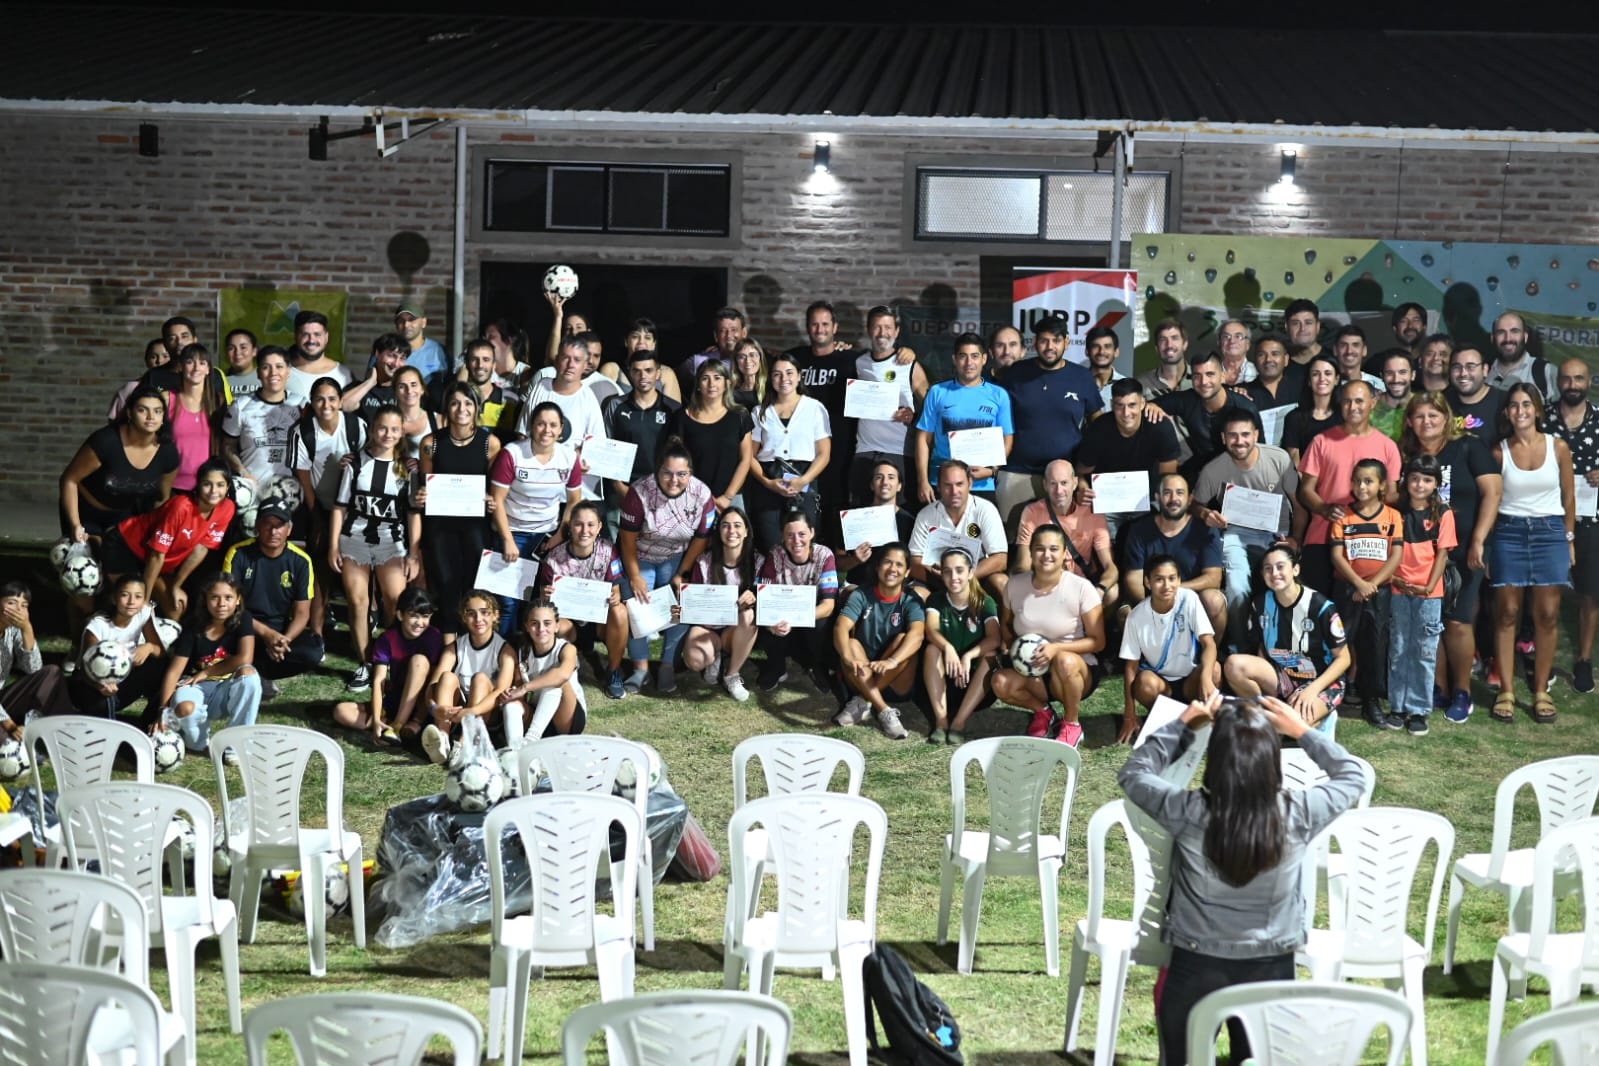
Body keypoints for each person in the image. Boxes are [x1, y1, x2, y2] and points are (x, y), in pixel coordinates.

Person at [1118, 690, 1366, 1066]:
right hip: (1272, 967)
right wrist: (1302, 732)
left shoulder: (1187, 811)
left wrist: (1183, 725)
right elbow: (1353, 776)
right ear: (1271, 758)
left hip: (1195, 965)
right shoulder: (1300, 812)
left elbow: (1134, 773)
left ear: (1216, 758)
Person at [1399, 391, 1499, 723]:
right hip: (1423, 554)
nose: (1426, 422)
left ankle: (1462, 691)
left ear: (1446, 418)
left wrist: (1479, 539)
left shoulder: (1468, 447)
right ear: (1410, 422)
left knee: (1458, 621)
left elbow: (1493, 492)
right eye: (1419, 416)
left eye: (1433, 415)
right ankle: (1436, 687)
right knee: (1430, 622)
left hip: (1466, 550)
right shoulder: (1408, 455)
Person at [1490, 382, 1576, 724]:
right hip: (1509, 533)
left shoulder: (1558, 447)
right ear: (1507, 412)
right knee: (1507, 613)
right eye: (1514, 405)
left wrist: (1569, 538)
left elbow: (1569, 495)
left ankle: (1541, 690)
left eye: (1526, 404)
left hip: (1550, 533)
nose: (1520, 411)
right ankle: (1506, 689)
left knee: (1548, 615)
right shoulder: (1499, 452)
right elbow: (1492, 499)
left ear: (1537, 410)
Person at [1191, 411, 1301, 651]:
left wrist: (1296, 539)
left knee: (1284, 581)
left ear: (1256, 435)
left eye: (1245, 434)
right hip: (1236, 535)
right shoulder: (1213, 470)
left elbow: (1299, 504)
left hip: (1277, 534)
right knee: (1237, 587)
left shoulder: (1279, 459)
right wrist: (1205, 514)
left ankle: (1287, 647)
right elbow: (1194, 504)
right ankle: (1240, 649)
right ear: (1223, 438)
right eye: (1232, 435)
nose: (1239, 441)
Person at [617, 439, 717, 695]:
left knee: (680, 605)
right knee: (636, 606)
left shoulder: (702, 495)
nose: (674, 480)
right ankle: (640, 669)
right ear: (657, 471)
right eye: (667, 473)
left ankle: (667, 665)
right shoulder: (639, 492)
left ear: (690, 473)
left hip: (677, 556)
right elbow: (627, 539)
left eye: (681, 474)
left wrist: (682, 573)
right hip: (641, 553)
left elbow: (701, 539)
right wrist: (635, 575)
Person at [330, 407, 421, 689]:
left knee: (395, 600)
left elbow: (413, 513)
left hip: (391, 541)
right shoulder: (355, 463)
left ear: (402, 432)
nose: (388, 434)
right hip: (354, 538)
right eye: (382, 428)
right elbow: (340, 507)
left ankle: (390, 659)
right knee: (357, 601)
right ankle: (366, 663)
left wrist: (414, 553)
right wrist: (333, 546)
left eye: (394, 429)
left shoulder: (408, 467)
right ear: (372, 430)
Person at [993, 525, 1105, 748]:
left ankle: (1072, 724)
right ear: (1031, 552)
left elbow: (1098, 641)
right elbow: (1005, 623)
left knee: (1064, 660)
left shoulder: (1082, 588)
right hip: (1034, 672)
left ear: (1065, 553)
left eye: (1054, 549)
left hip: (1075, 671)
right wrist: (1017, 651)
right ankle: (1044, 713)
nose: (1046, 555)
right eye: (1040, 549)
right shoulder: (1015, 585)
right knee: (1000, 682)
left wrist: (1056, 649)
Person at [1223, 543, 1350, 732]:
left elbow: (1344, 658)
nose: (1274, 573)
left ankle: (1322, 717)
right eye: (1268, 568)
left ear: (1295, 569)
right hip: (1284, 677)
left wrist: (1312, 690)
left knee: (1291, 724)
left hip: (1321, 680)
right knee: (1234, 664)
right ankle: (1263, 711)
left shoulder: (1320, 606)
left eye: (1280, 566)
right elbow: (1262, 647)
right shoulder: (1260, 604)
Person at [1296, 380, 1401, 596]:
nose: (1353, 407)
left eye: (1359, 401)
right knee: (1319, 610)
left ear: (1373, 403)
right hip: (1322, 538)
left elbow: (1391, 495)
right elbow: (1305, 491)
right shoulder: (1321, 441)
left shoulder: (1388, 446)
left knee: (1364, 613)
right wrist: (1325, 508)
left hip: (1370, 544)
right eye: (1347, 401)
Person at [997, 316, 1102, 532]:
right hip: (1017, 473)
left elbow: (1099, 425)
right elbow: (996, 418)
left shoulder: (1082, 377)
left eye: (1056, 340)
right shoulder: (1015, 374)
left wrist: (1084, 473)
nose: (1050, 347)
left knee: (1061, 542)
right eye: (1044, 341)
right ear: (1035, 343)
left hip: (1064, 478)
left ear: (1067, 342)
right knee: (1013, 540)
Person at [487, 400, 582, 635]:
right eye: (541, 424)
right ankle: (504, 650)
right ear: (531, 426)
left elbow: (574, 501)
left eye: (553, 425)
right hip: (513, 532)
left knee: (538, 601)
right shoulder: (512, 453)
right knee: (508, 602)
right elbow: (497, 499)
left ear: (561, 429)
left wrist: (560, 534)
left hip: (547, 536)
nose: (546, 430)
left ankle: (530, 650)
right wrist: (508, 539)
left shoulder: (569, 458)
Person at [100, 458, 237, 619]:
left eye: (220, 485)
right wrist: (145, 599)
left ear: (228, 487)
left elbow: (201, 549)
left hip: (155, 561)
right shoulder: (181, 506)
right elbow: (156, 554)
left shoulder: (227, 508)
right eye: (207, 484)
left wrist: (176, 585)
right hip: (125, 546)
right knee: (130, 604)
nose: (213, 491)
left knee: (175, 608)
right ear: (198, 485)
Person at [420, 380, 503, 636]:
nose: (461, 409)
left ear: (477, 408)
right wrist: (422, 495)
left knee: (474, 584)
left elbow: (495, 487)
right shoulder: (431, 443)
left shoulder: (490, 443)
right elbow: (424, 484)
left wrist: (491, 499)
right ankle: (448, 646)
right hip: (440, 527)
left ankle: (473, 641)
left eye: (468, 403)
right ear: (447, 407)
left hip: (475, 526)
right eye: (455, 403)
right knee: (446, 585)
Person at [290, 377, 366, 646]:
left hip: (354, 507)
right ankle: (317, 632)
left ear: (341, 401)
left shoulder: (356, 426)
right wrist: (317, 518)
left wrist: (355, 462)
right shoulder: (303, 431)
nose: (326, 405)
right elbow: (302, 475)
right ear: (312, 402)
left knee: (359, 567)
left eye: (332, 399)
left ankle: (367, 622)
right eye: (320, 399)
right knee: (319, 570)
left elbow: (371, 458)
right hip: (320, 505)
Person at [1329, 458, 1403, 727]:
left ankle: (1371, 701)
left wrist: (1372, 585)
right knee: (1340, 641)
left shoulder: (1392, 516)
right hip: (1348, 589)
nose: (1362, 486)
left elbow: (1396, 555)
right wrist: (1359, 584)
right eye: (1358, 481)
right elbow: (1337, 556)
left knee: (1374, 645)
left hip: (1378, 592)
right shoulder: (1343, 516)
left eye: (1369, 481)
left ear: (1382, 485)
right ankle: (1332, 697)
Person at [1387, 454, 1455, 736]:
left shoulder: (1443, 513)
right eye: (1414, 479)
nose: (1419, 485)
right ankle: (1397, 706)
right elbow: (1387, 550)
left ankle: (1418, 709)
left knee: (1424, 651)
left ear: (1436, 483)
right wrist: (1393, 578)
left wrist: (1429, 586)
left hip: (1429, 592)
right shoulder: (1395, 512)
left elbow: (1443, 554)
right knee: (1399, 647)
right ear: (1406, 481)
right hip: (1398, 587)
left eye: (1427, 480)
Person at [1118, 554, 1219, 743]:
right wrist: (1129, 714)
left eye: (1172, 578)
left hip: (1191, 680)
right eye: (1159, 579)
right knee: (1144, 682)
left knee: (1214, 670)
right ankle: (1176, 716)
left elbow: (1209, 643)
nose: (1166, 586)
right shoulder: (1136, 617)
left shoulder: (1189, 599)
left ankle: (1194, 714)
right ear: (1147, 582)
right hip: (1162, 684)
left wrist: (1205, 678)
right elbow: (1131, 666)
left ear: (1179, 580)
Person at [222, 501, 321, 695]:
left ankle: (261, 672)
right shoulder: (238, 553)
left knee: (313, 651)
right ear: (257, 526)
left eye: (279, 525)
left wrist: (284, 640)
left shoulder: (301, 561)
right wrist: (267, 634)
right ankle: (244, 669)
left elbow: (302, 613)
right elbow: (229, 606)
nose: (273, 531)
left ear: (289, 529)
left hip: (279, 629)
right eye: (267, 524)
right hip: (242, 624)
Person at [157, 573, 260, 754]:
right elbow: (174, 672)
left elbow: (245, 658)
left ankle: (236, 745)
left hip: (225, 689)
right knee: (187, 715)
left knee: (249, 675)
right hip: (194, 687)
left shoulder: (243, 619)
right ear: (205, 600)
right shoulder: (193, 626)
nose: (221, 604)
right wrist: (163, 712)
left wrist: (206, 672)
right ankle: (196, 738)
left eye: (228, 597)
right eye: (215, 598)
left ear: (238, 600)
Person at [60, 386, 178, 542]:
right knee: (88, 553)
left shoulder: (168, 452)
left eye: (157, 411)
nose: (151, 417)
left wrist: (154, 530)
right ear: (129, 413)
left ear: (163, 417)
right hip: (85, 511)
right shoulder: (106, 441)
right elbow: (69, 480)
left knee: (117, 553)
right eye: (142, 410)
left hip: (123, 515)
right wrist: (75, 525)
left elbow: (161, 499)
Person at [832, 543, 925, 739]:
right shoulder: (862, 594)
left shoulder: (911, 599)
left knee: (904, 640)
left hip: (895, 679)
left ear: (907, 572)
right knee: (850, 644)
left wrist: (891, 661)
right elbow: (841, 627)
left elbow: (917, 635)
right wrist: (847, 657)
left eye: (899, 565)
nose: (892, 569)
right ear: (877, 566)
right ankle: (883, 710)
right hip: (860, 672)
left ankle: (863, 700)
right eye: (887, 562)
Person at [535, 500, 628, 697]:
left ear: (599, 527)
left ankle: (614, 671)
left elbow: (617, 590)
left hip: (599, 621)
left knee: (620, 611)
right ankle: (562, 667)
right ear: (570, 526)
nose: (585, 531)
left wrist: (615, 596)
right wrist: (546, 596)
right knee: (550, 621)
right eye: (578, 524)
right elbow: (543, 604)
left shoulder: (608, 550)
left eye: (591, 524)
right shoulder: (553, 558)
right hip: (570, 623)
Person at [1546, 358, 1599, 693]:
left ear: (1589, 382)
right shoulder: (1543, 418)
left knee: (1591, 593)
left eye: (1578, 378)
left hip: (1591, 519)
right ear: (1558, 382)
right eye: (1566, 379)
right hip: (1549, 516)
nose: (1572, 385)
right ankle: (1542, 656)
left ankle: (1583, 659)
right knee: (1547, 591)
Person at [332, 587, 442, 746]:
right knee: (341, 711)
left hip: (421, 703)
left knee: (418, 661)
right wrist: (376, 718)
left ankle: (398, 726)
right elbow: (379, 681)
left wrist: (420, 715)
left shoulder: (434, 637)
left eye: (425, 616)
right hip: (394, 699)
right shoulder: (387, 639)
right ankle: (389, 727)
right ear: (400, 615)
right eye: (413, 616)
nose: (419, 623)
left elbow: (434, 682)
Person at [1074, 378, 1181, 541]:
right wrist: (1081, 488)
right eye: (1120, 405)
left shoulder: (1160, 426)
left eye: (1132, 405)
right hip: (1107, 502)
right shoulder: (1099, 429)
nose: (1126, 413)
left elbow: (1169, 479)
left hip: (1147, 500)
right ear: (1111, 405)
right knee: (1102, 542)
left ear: (1143, 403)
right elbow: (1080, 472)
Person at [1121, 473, 1227, 636]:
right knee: (1126, 613)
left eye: (1180, 493)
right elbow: (1133, 578)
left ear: (1189, 499)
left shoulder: (1206, 529)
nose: (1173, 498)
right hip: (1152, 598)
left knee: (1214, 600)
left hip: (1192, 596)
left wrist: (1172, 589)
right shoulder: (1139, 529)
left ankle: (1210, 650)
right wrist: (1153, 606)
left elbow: (1214, 578)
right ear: (1157, 498)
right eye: (1167, 493)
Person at [675, 507, 761, 703]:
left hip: (736, 630)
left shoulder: (757, 561)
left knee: (749, 615)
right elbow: (693, 603)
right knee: (695, 660)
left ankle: (732, 674)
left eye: (737, 526)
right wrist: (683, 604)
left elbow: (766, 597)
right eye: (725, 526)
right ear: (719, 531)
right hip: (708, 627)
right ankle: (715, 658)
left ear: (746, 531)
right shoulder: (704, 562)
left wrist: (755, 596)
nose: (731, 531)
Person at [915, 332, 1013, 502]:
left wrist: (991, 470)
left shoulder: (999, 395)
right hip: (943, 483)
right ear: (954, 359)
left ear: (984, 359)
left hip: (983, 485)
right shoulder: (937, 392)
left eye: (974, 356)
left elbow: (1007, 439)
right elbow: (923, 438)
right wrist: (922, 480)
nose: (969, 363)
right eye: (963, 356)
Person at [422, 591, 516, 765]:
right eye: (471, 613)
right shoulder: (454, 648)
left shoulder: (505, 650)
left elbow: (501, 692)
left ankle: (465, 744)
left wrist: (472, 711)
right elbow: (432, 686)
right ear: (464, 618)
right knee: (446, 677)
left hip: (486, 714)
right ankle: (442, 739)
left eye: (484, 612)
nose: (478, 619)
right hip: (457, 713)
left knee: (480, 679)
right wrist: (435, 709)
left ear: (495, 616)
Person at [754, 509, 841, 694]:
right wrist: (772, 624)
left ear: (812, 533)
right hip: (783, 614)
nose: (796, 541)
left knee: (822, 623)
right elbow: (765, 599)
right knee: (767, 622)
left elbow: (828, 605)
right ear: (783, 536)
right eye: (790, 535)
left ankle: (818, 666)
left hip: (810, 615)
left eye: (802, 534)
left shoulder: (825, 556)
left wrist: (797, 618)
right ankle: (777, 667)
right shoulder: (775, 555)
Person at [1014, 461, 1118, 611]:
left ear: (1075, 483)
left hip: (1081, 585)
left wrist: (1099, 591)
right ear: (1045, 485)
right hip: (1045, 582)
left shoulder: (1093, 513)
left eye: (1064, 483)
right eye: (1053, 484)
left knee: (1113, 592)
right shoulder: (1032, 512)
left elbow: (1111, 567)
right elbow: (1023, 565)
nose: (1059, 490)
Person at [921, 547, 999, 745]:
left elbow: (995, 638)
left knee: (990, 654)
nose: (953, 577)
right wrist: (948, 648)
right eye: (947, 571)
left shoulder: (984, 601)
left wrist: (968, 656)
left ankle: (959, 723)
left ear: (970, 572)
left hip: (975, 685)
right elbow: (931, 630)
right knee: (932, 649)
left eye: (959, 570)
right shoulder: (936, 599)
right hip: (942, 681)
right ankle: (941, 722)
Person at [851, 305, 928, 505]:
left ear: (896, 331)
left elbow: (931, 408)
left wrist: (914, 416)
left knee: (900, 513)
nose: (882, 333)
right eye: (877, 327)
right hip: (865, 451)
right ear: (869, 330)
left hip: (900, 453)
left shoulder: (909, 364)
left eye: (887, 327)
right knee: (862, 512)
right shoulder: (858, 363)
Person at [1151, 350, 1260, 485]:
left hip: (1239, 475)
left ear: (1222, 376)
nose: (1204, 382)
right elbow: (1145, 405)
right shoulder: (1188, 400)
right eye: (1197, 375)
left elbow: (1261, 451)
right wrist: (1152, 406)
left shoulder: (1245, 407)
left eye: (1210, 374)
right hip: (1201, 472)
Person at [907, 460, 1008, 601]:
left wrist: (963, 577)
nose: (954, 491)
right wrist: (946, 578)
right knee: (916, 593)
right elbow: (915, 562)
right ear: (938, 487)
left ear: (970, 484)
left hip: (976, 577)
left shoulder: (986, 509)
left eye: (959, 484)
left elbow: (1000, 559)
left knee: (1001, 582)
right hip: (937, 579)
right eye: (947, 485)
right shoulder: (926, 515)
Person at [71, 574, 167, 722]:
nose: (131, 601)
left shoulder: (143, 614)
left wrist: (149, 647)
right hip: (91, 685)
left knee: (161, 667)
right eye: (125, 595)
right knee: (102, 700)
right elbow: (85, 670)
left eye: (138, 596)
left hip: (123, 680)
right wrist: (99, 685)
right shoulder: (98, 625)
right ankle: (107, 728)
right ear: (114, 598)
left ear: (144, 601)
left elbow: (161, 652)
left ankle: (151, 723)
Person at [601, 348, 682, 520]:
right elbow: (607, 446)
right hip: (622, 490)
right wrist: (618, 485)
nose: (642, 376)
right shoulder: (615, 405)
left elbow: (679, 454)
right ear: (630, 373)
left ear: (658, 374)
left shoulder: (673, 409)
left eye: (648, 370)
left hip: (661, 490)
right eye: (637, 371)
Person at [669, 358, 754, 512]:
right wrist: (695, 494)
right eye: (705, 378)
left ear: (727, 383)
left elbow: (746, 459)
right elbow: (676, 462)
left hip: (731, 498)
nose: (711, 384)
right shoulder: (681, 418)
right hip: (691, 497)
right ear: (698, 385)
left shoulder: (740, 416)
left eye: (717, 378)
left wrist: (727, 497)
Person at [499, 600, 587, 742]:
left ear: (557, 626)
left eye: (547, 623)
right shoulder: (521, 649)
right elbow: (517, 687)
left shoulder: (567, 648)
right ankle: (515, 749)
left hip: (566, 718)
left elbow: (563, 675)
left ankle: (531, 740)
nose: (541, 629)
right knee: (511, 705)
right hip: (537, 714)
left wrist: (524, 688)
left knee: (556, 681)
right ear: (527, 626)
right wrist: (512, 693)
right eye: (534, 623)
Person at [221, 346, 302, 492]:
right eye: (266, 367)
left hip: (288, 493)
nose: (273, 373)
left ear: (288, 371)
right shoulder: (241, 406)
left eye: (279, 367)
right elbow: (227, 446)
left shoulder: (300, 405)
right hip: (252, 491)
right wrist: (243, 473)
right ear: (258, 373)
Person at [0, 583, 73, 730]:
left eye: (24, 605)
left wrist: (27, 628)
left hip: (3, 703)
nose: (18, 610)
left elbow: (33, 669)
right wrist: (10, 725)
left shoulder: (13, 630)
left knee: (51, 673)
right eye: (12, 603)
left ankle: (65, 729)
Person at [839, 459, 917, 592]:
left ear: (899, 486)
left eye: (891, 477)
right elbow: (839, 564)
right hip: (858, 586)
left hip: (896, 588)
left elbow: (914, 564)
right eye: (879, 477)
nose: (885, 482)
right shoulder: (853, 518)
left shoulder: (910, 522)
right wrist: (855, 560)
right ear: (872, 485)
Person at [165, 344, 224, 494]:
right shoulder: (167, 399)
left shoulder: (218, 402)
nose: (196, 368)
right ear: (181, 367)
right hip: (173, 486)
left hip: (209, 488)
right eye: (190, 362)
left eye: (202, 363)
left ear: (208, 369)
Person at [1279, 353, 1340, 467]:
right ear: (1309, 381)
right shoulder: (1294, 418)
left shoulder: (1345, 416)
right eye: (1315, 374)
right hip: (1304, 476)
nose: (1322, 379)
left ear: (1336, 379)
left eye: (1328, 373)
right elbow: (1294, 460)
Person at [1242, 333, 1304, 441]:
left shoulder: (1302, 388)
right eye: (1262, 354)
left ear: (1286, 359)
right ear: (1255, 360)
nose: (1268, 359)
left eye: (1275, 354)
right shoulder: (1244, 394)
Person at [1488, 311, 1558, 403]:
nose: (1508, 338)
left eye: (1514, 331)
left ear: (1525, 337)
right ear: (1492, 338)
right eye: (1501, 332)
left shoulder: (1546, 372)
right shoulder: (1481, 372)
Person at [1445, 343, 1506, 447]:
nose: (1463, 373)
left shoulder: (1504, 402)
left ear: (1485, 370)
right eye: (1456, 367)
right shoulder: (1441, 402)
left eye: (1470, 367)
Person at [341, 333, 409, 419]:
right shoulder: (358, 388)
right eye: (392, 356)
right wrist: (369, 383)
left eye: (402, 358)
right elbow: (342, 406)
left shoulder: (403, 391)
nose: (396, 364)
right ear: (377, 354)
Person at [288, 310, 350, 391]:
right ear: (296, 336)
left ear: (326, 337)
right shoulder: (279, 373)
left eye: (317, 334)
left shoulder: (343, 375)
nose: (311, 340)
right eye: (305, 334)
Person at [392, 303, 449, 384]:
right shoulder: (387, 352)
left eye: (411, 319)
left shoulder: (439, 351)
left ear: (423, 322)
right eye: (401, 320)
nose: (406, 325)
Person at [1136, 318, 1190, 399]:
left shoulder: (1201, 379)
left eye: (1174, 338)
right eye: (1163, 340)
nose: (1169, 345)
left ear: (1185, 344)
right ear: (1157, 348)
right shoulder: (1142, 384)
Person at [1369, 348, 1416, 442]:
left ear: (1413, 375)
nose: (1396, 379)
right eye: (1390, 373)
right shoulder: (1369, 407)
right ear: (1382, 376)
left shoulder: (1424, 406)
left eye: (1402, 372)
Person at [390, 366, 436, 454]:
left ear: (422, 389)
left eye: (413, 385)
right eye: (402, 386)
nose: (409, 391)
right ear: (395, 391)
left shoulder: (439, 421)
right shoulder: (386, 421)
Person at [1085, 324, 1131, 406]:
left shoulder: (1128, 386)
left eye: (1107, 346)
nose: (1101, 352)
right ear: (1087, 352)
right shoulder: (1076, 383)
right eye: (1096, 346)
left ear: (1116, 352)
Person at [1284, 298, 1328, 365]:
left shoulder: (1334, 360)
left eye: (1308, 323)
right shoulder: (1279, 362)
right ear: (1287, 327)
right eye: (1296, 323)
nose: (1302, 329)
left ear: (1318, 326)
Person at [1214, 319, 1256, 386]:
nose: (1232, 341)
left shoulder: (1258, 374)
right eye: (1226, 336)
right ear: (1219, 343)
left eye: (1238, 336)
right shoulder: (1209, 371)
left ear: (1248, 344)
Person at [730, 337, 768, 410]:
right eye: (742, 357)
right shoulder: (730, 392)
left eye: (752, 355)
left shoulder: (770, 389)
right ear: (736, 362)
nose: (747, 361)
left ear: (760, 358)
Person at [222, 328, 260, 400]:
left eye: (243, 347)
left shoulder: (266, 377)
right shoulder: (219, 379)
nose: (237, 352)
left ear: (254, 351)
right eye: (231, 348)